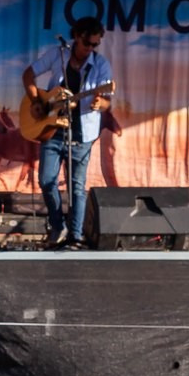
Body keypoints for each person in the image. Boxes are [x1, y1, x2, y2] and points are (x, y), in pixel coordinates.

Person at [22, 17, 115, 249]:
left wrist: (99, 104)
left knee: (77, 186)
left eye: (95, 45)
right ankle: (57, 225)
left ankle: (75, 235)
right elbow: (28, 75)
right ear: (76, 37)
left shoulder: (100, 65)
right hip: (53, 129)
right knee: (46, 180)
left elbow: (107, 103)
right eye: (87, 44)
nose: (90, 49)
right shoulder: (58, 55)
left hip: (82, 135)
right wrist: (36, 100)